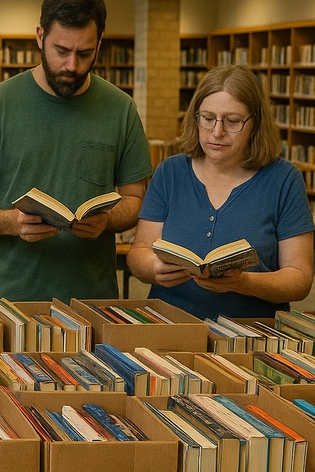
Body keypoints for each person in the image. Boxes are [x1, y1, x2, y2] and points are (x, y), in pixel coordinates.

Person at [0, 0, 152, 304]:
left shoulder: (120, 108)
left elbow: (135, 200)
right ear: (40, 37)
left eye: (84, 53)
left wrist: (108, 220)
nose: (71, 65)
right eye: (61, 51)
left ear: (99, 43)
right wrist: (10, 222)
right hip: (10, 299)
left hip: (93, 301)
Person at [127, 65, 314, 319]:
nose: (217, 132)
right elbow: (138, 253)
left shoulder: (284, 179)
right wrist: (154, 268)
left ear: (254, 123)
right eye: (207, 118)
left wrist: (244, 283)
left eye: (232, 121)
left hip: (249, 333)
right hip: (169, 325)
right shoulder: (170, 172)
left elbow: (300, 279)